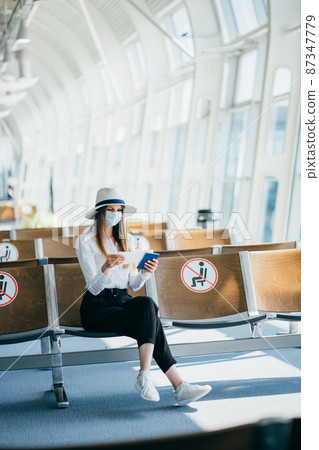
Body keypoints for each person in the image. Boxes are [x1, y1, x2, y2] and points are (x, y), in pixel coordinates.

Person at [76, 187, 212, 406]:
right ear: (101, 212)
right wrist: (106, 268)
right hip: (97, 307)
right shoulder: (85, 241)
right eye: (110, 209)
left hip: (121, 300)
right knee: (152, 323)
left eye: (119, 210)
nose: (115, 214)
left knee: (147, 304)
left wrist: (146, 272)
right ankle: (178, 385)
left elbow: (132, 284)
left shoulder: (126, 239)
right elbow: (92, 288)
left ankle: (145, 374)